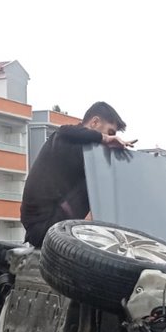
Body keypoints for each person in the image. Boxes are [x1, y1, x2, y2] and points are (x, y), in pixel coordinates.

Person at [20, 102, 134, 247]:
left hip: (49, 224)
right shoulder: (65, 139)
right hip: (44, 227)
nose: (111, 139)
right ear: (94, 122)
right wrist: (104, 139)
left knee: (106, 181)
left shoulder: (81, 150)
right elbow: (64, 130)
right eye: (110, 132)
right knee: (101, 182)